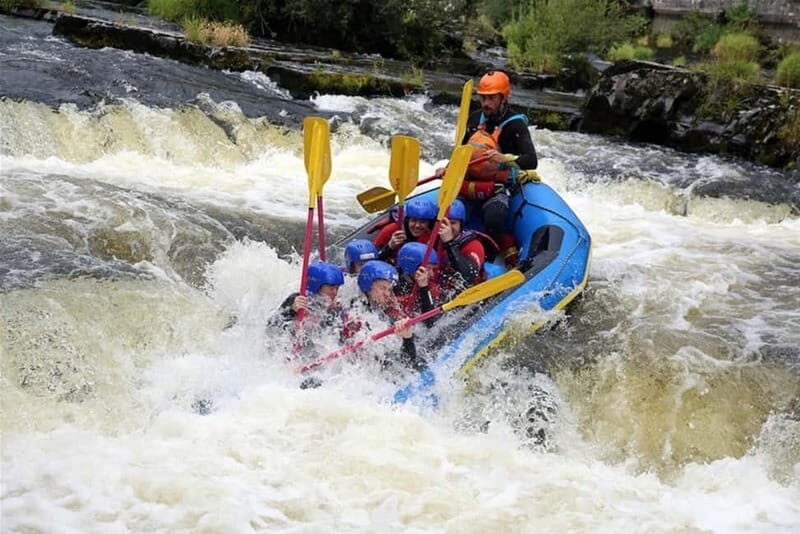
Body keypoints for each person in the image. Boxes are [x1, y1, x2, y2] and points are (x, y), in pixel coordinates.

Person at [437, 70, 539, 266]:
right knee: (450, 212)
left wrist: (505, 158)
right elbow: (462, 151)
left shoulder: (516, 125)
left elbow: (531, 160)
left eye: (492, 98)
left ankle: (495, 258)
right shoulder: (475, 119)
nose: (486, 103)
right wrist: (448, 168)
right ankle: (451, 251)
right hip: (471, 183)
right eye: (483, 98)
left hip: (498, 185)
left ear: (503, 98)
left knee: (495, 215)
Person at [355, 260, 425, 371]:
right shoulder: (355, 315)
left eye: (390, 290)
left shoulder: (388, 315)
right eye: (382, 288)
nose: (387, 294)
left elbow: (407, 363)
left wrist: (407, 338)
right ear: (367, 287)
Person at [436, 199, 487, 293]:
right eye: (444, 223)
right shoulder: (433, 240)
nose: (448, 227)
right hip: (443, 289)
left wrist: (449, 243)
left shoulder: (474, 245)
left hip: (471, 292)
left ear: (461, 224)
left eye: (452, 223)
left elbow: (469, 274)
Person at [373, 197, 437, 264]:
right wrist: (389, 246)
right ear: (407, 220)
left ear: (429, 223)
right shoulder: (391, 230)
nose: (417, 226)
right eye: (413, 220)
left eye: (423, 222)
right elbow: (372, 261)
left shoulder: (433, 235)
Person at [395, 241, 441, 320]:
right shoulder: (393, 288)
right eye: (428, 268)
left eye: (432, 269)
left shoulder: (430, 286)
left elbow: (433, 319)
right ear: (412, 267)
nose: (432, 274)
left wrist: (424, 288)